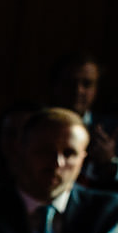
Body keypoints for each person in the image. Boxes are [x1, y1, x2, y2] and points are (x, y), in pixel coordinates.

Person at [49, 51, 116, 186]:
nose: (78, 90)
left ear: (97, 89)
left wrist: (110, 162)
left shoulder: (111, 130)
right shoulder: (37, 127)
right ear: (56, 85)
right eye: (70, 83)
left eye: (87, 84)